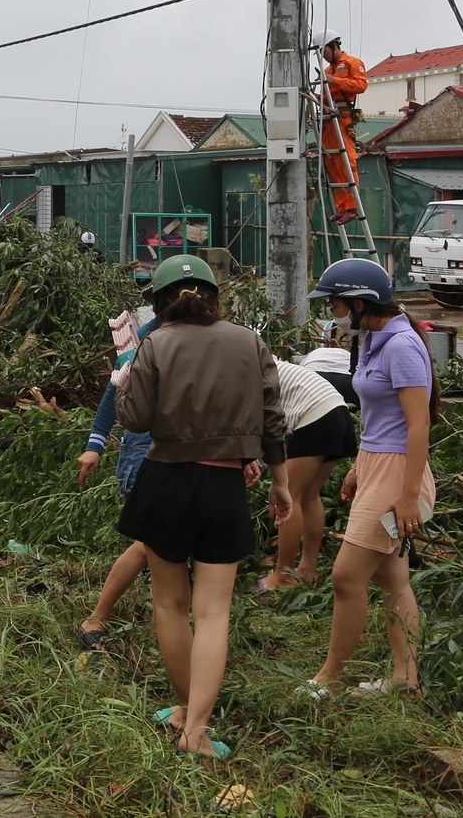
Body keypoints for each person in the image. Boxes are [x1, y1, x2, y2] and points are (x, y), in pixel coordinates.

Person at [116, 254, 292, 761]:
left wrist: (123, 379)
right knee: (213, 612)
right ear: (215, 298)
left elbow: (136, 420)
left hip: (165, 480)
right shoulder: (249, 342)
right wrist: (279, 483)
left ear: (160, 303)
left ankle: (182, 709)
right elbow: (273, 420)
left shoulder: (155, 344)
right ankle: (196, 731)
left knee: (169, 605)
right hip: (224, 485)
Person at [305, 258, 436, 697]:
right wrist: (359, 468)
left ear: (361, 302)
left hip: (400, 473)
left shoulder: (402, 346)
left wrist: (406, 496)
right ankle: (404, 682)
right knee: (392, 579)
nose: (335, 312)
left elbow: (418, 425)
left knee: (346, 577)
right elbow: (379, 418)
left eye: (338, 304)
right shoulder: (376, 338)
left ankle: (330, 678)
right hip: (378, 466)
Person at [73, 307, 160, 648]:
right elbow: (115, 390)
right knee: (154, 544)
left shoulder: (208, 337)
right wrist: (95, 444)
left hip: (191, 453)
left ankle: (156, 627)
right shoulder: (146, 341)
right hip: (146, 447)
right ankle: (109, 620)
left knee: (157, 545)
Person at [256, 356, 356, 592]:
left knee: (289, 495)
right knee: (309, 495)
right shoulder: (253, 358)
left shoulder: (236, 370)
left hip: (313, 414)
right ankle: (308, 569)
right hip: (336, 411)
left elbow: (260, 425)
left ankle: (284, 576)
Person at [316, 31, 368, 224]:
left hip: (343, 118)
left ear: (334, 46)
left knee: (347, 162)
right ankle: (342, 206)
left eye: (324, 51)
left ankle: (352, 207)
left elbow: (361, 85)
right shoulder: (328, 71)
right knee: (333, 164)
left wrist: (334, 81)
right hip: (328, 119)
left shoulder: (353, 63)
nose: (323, 56)